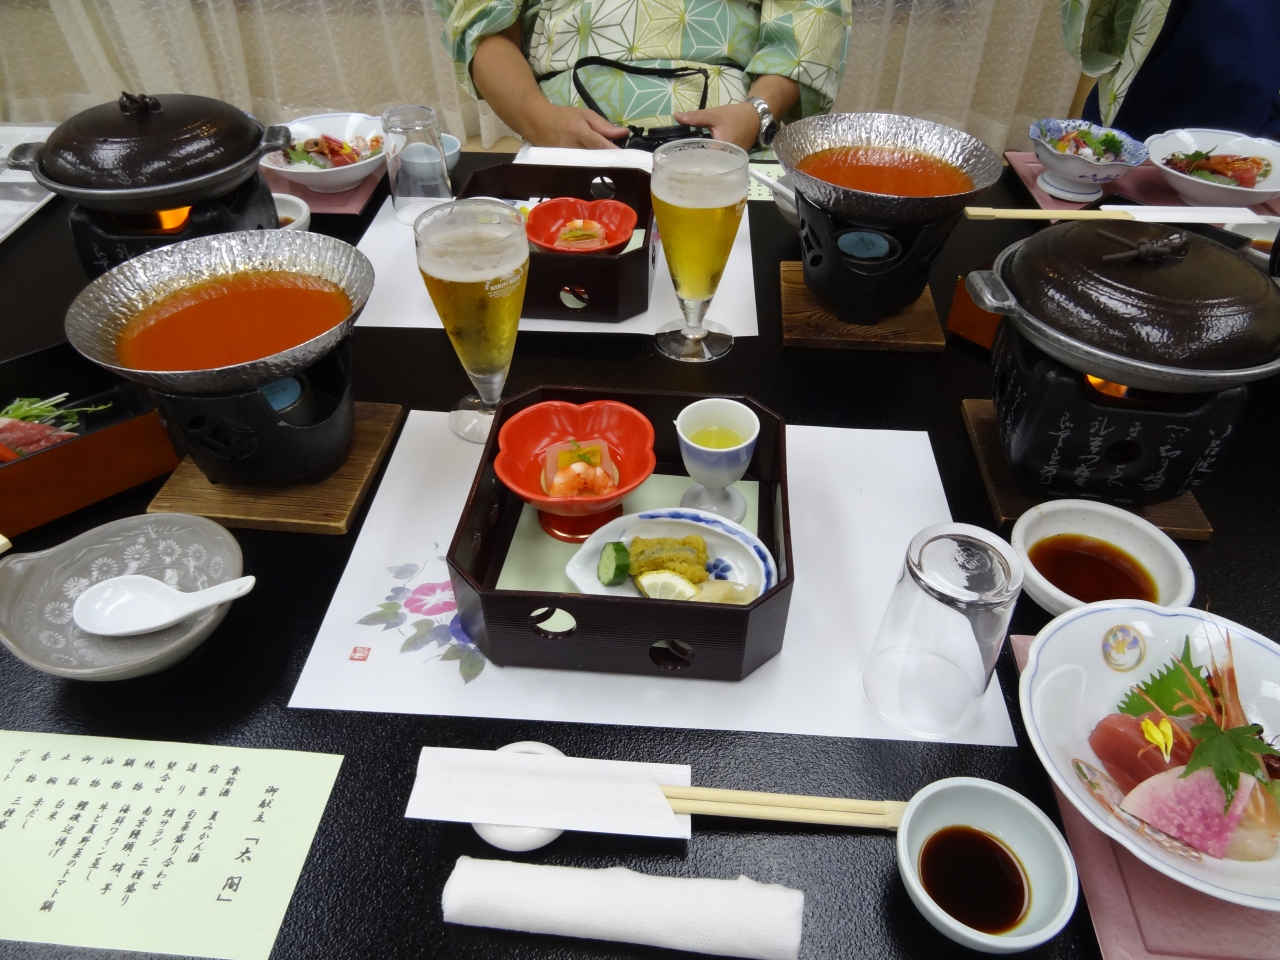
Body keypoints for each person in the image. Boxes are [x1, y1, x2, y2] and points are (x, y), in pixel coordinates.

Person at [432, 1, 852, 152]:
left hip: (730, 141)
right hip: (565, 138)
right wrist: (539, 121)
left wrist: (755, 112)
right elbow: (484, 31)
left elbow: (808, 24)